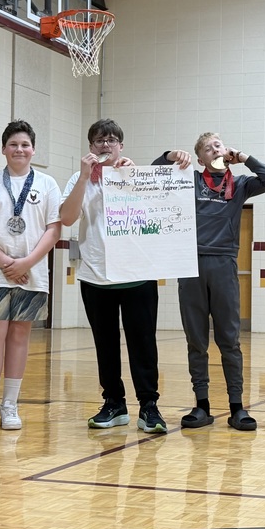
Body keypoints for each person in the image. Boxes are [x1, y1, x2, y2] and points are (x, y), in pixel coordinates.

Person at [154, 134, 265, 431]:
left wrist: (245, 157)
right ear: (200, 160)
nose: (216, 149)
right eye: (208, 148)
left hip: (224, 264)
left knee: (229, 340)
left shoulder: (240, 185)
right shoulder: (190, 181)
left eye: (219, 145)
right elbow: (153, 174)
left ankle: (237, 406)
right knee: (196, 340)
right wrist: (171, 155)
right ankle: (202, 405)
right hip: (191, 264)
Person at [60, 119, 168, 434]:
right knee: (104, 344)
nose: (105, 146)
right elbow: (67, 217)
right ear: (90, 147)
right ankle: (114, 404)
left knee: (143, 344)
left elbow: (158, 216)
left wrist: (133, 178)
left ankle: (149, 406)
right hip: (96, 276)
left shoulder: (135, 176)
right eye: (98, 141)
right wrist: (83, 177)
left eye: (111, 140)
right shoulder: (79, 180)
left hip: (138, 276)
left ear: (121, 145)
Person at [0, 119, 62, 431]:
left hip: (33, 272)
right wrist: (6, 260)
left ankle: (10, 405)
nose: (20, 149)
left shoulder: (47, 184)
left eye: (25, 145)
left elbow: (54, 229)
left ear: (33, 150)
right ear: (3, 150)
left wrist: (27, 262)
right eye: (14, 144)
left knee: (20, 335)